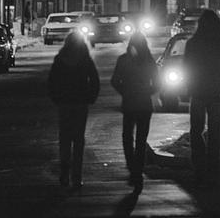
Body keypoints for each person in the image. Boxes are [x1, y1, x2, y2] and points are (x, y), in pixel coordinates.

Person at [183, 9, 220, 187]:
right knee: (215, 133)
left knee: (196, 131)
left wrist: (189, 87)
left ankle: (199, 167)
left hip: (198, 92)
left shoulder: (193, 43)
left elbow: (187, 67)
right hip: (216, 93)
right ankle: (213, 168)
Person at [48, 31, 100, 189]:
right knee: (78, 140)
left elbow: (52, 81)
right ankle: (76, 176)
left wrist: (56, 98)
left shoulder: (60, 59)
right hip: (80, 103)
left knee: (64, 139)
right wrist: (90, 97)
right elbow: (95, 80)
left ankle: (64, 175)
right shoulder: (85, 59)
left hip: (64, 103)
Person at [110, 32, 160, 190]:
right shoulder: (149, 61)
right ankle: (138, 169)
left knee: (127, 136)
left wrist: (125, 91)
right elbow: (158, 83)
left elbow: (114, 80)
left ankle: (132, 167)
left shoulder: (124, 60)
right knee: (140, 139)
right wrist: (148, 91)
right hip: (145, 104)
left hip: (129, 103)